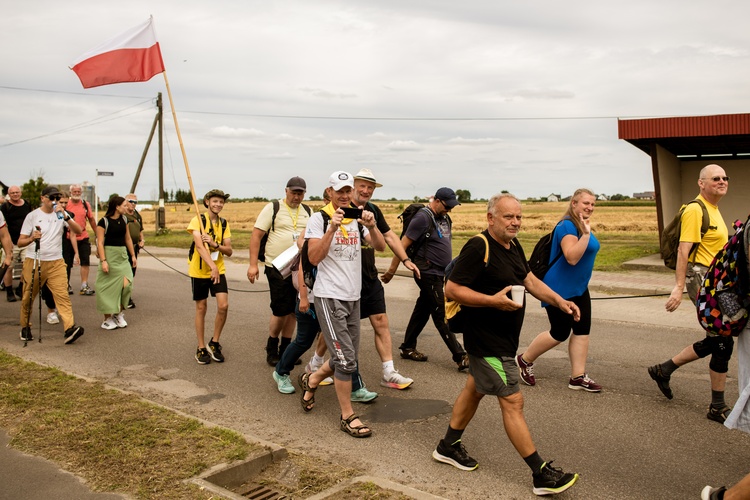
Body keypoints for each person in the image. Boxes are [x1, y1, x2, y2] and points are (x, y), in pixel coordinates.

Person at [432, 193, 580, 496]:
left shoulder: (513, 246)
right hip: (488, 342)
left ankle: (448, 446)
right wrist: (492, 302)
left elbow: (529, 281)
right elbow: (452, 288)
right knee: (513, 401)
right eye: (508, 217)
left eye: (519, 217)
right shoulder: (478, 246)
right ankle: (540, 473)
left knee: (474, 389)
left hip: (502, 340)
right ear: (491, 218)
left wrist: (560, 302)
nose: (515, 222)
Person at [299, 171, 385, 438]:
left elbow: (381, 247)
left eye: (349, 191)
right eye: (340, 191)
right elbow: (313, 257)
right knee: (346, 360)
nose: (345, 196)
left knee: (347, 357)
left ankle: (312, 379)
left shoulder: (356, 216)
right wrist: (332, 228)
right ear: (330, 192)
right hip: (329, 295)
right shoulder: (319, 219)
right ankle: (348, 416)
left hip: (353, 296)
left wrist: (371, 226)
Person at [648, 164, 733, 423]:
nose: (722, 181)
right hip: (702, 279)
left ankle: (664, 369)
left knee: (721, 339)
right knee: (722, 340)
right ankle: (716, 406)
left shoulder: (714, 210)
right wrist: (678, 285)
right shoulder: (696, 210)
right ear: (701, 183)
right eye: (715, 178)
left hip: (715, 280)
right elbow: (684, 250)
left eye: (724, 178)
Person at [516, 188, 602, 392]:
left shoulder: (581, 225)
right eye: (585, 203)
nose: (589, 207)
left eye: (592, 204)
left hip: (579, 287)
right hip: (558, 288)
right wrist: (586, 235)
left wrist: (586, 232)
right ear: (574, 204)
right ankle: (524, 360)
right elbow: (571, 257)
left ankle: (578, 377)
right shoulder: (567, 226)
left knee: (582, 330)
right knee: (559, 332)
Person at [346, 168, 418, 390]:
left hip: (369, 277)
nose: (366, 190)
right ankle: (317, 365)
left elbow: (388, 237)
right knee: (342, 329)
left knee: (381, 321)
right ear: (353, 186)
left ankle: (389, 372)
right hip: (346, 279)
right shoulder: (342, 209)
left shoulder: (373, 210)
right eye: (362, 186)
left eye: (370, 187)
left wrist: (405, 260)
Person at [385, 187, 468, 371]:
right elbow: (402, 244)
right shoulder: (422, 218)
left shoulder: (445, 217)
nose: (449, 210)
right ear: (436, 200)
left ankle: (407, 347)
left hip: (441, 272)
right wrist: (391, 271)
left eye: (452, 207)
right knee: (441, 313)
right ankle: (460, 356)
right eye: (447, 206)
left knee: (423, 308)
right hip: (427, 272)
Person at [247, 176, 311, 366]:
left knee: (294, 311)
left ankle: (286, 349)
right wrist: (252, 265)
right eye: (294, 192)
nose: (297, 197)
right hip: (276, 267)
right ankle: (271, 347)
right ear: (286, 191)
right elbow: (256, 236)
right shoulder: (273, 208)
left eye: (300, 193)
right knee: (280, 309)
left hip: (298, 267)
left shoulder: (308, 211)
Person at [17, 186, 85, 344]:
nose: (54, 201)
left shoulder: (61, 215)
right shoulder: (32, 216)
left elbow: (78, 230)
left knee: (62, 295)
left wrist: (66, 216)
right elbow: (20, 242)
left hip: (56, 262)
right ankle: (25, 326)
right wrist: (32, 238)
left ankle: (69, 328)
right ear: (43, 198)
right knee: (28, 296)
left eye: (57, 198)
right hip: (35, 260)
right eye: (51, 198)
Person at [188, 189, 233, 365]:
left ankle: (214, 342)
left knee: (224, 305)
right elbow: (199, 247)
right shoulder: (197, 221)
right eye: (215, 201)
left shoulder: (223, 223)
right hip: (200, 271)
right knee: (201, 307)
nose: (218, 205)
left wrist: (215, 244)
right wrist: (211, 266)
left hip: (218, 269)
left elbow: (229, 250)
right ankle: (200, 347)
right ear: (207, 202)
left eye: (221, 202)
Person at [94, 196, 137, 330]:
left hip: (122, 256)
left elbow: (128, 239)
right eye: (124, 205)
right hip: (109, 255)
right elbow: (100, 242)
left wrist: (133, 255)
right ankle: (106, 318)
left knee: (127, 285)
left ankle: (118, 314)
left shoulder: (124, 220)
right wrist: (104, 261)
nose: (127, 207)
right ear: (117, 207)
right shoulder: (103, 222)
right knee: (107, 288)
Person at [1, 185, 32, 302]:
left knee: (27, 265)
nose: (15, 194)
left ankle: (20, 287)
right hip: (11, 242)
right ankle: (9, 291)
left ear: (21, 193)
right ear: (9, 194)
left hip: (25, 240)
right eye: (12, 193)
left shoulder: (26, 204)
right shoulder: (5, 206)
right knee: (9, 267)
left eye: (17, 192)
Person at [66, 184, 97, 296]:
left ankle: (84, 285)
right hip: (68, 237)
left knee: (85, 261)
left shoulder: (85, 204)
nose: (77, 193)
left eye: (79, 191)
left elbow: (91, 219)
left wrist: (97, 234)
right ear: (70, 192)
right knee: (67, 263)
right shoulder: (66, 204)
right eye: (74, 191)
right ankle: (66, 284)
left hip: (83, 236)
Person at [123, 193, 144, 309]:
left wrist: (142, 240)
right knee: (125, 272)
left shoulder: (137, 215)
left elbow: (140, 229)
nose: (133, 204)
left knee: (132, 271)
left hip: (135, 247)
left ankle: (127, 294)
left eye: (135, 202)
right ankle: (125, 297)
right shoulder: (122, 215)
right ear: (125, 202)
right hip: (123, 248)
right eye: (131, 201)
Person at [58, 192, 79, 294]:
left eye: (65, 202)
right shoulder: (51, 214)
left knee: (66, 269)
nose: (63, 205)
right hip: (53, 246)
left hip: (65, 246)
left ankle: (65, 288)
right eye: (61, 202)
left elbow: (73, 234)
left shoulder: (69, 215)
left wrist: (76, 252)